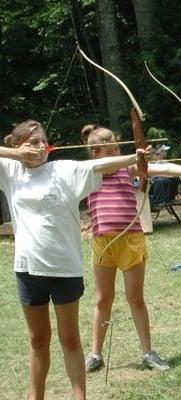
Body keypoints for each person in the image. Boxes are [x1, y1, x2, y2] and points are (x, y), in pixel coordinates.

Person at [0, 120, 148, 400]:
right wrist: (16, 155)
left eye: (44, 140)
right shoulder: (10, 171)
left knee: (69, 339)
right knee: (37, 339)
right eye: (33, 142)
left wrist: (135, 155)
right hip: (28, 269)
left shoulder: (64, 169)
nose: (41, 146)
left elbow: (99, 165)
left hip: (65, 269)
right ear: (18, 145)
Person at [82, 124, 181, 373]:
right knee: (103, 299)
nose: (118, 153)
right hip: (103, 242)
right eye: (112, 149)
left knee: (135, 298)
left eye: (118, 148)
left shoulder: (126, 169)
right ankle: (95, 354)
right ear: (95, 152)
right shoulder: (89, 172)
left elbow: (162, 168)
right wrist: (135, 154)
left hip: (131, 239)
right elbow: (99, 166)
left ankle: (148, 352)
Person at [149, 144, 181, 208]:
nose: (166, 152)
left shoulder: (164, 161)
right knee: (161, 180)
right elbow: (155, 173)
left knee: (174, 179)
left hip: (160, 177)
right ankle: (157, 201)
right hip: (153, 180)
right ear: (160, 152)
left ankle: (170, 199)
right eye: (165, 151)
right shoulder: (151, 162)